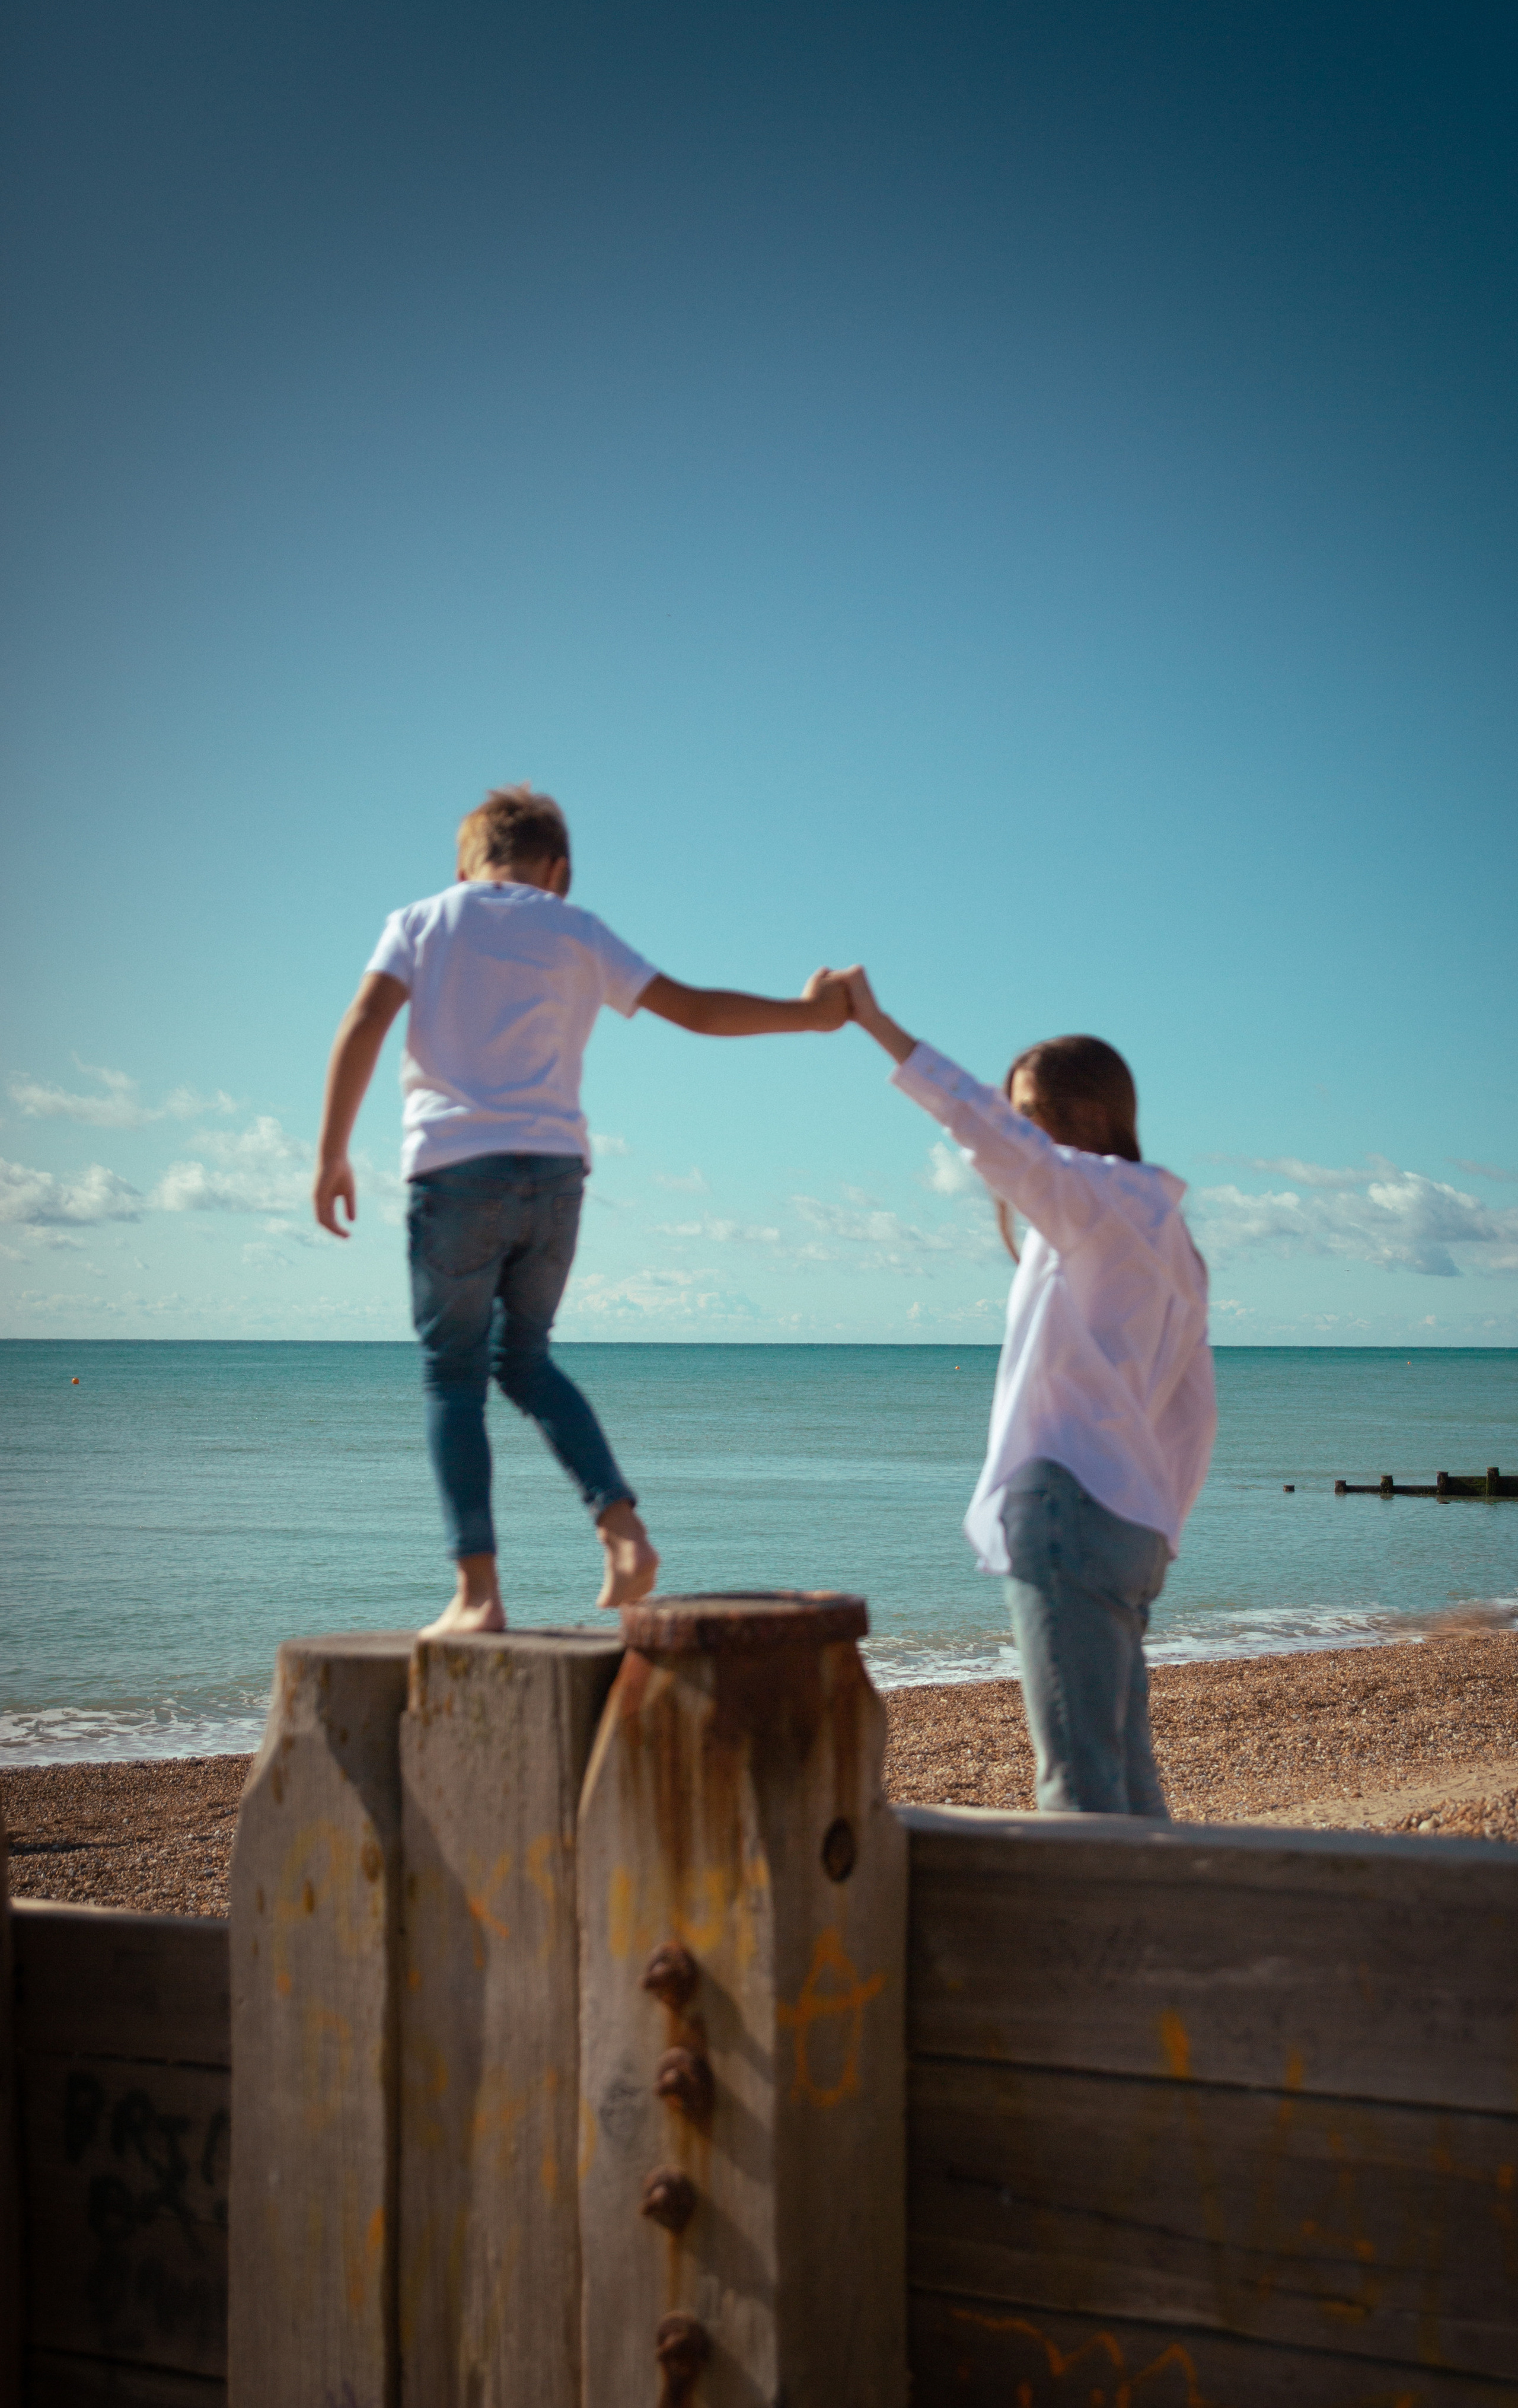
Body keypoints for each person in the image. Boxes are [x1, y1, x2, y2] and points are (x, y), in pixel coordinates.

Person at [312, 785, 849, 1636]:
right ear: (557, 871)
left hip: (454, 1172)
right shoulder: (578, 929)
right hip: (556, 1177)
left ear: (464, 864)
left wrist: (332, 1152)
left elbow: (364, 1022)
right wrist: (814, 1018)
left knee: (454, 1374)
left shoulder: (420, 920)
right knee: (523, 1359)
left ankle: (478, 1594)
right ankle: (623, 1530)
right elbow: (697, 1009)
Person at [841, 966, 1216, 1817]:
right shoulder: (1170, 1235)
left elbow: (975, 1126)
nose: (1017, 1138)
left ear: (1075, 1121)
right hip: (1134, 1522)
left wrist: (876, 1023)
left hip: (1071, 1504)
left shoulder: (1088, 1198)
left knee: (1079, 1782)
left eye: (1027, 1118)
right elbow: (1195, 1408)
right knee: (1126, 1774)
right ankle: (1150, 1941)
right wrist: (1163, 1522)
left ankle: (1095, 1951)